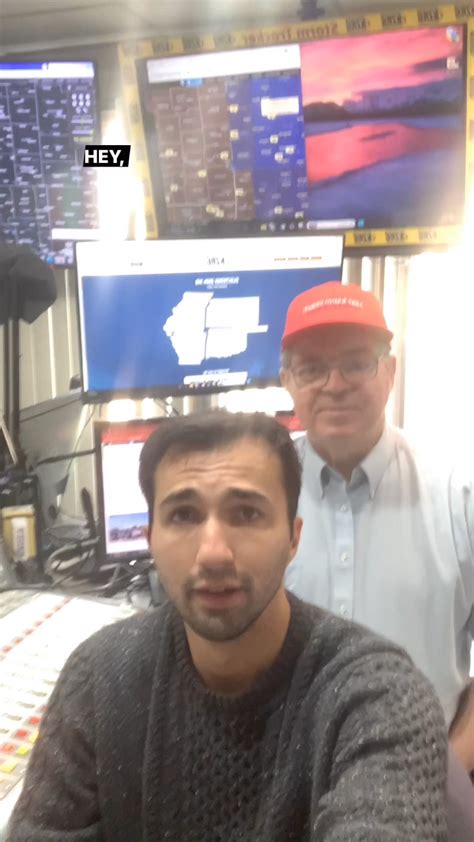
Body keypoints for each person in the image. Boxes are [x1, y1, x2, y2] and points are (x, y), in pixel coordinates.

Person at [7, 412, 448, 841]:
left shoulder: (378, 696)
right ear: (150, 538)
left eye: (247, 514)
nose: (213, 554)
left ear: (293, 538)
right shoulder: (98, 680)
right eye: (183, 515)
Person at [279, 281, 474, 770]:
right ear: (288, 381)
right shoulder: (257, 499)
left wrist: (446, 774)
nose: (335, 384)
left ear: (390, 372)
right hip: (283, 785)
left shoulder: (459, 494)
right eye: (312, 368)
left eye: (356, 362)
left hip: (428, 778)